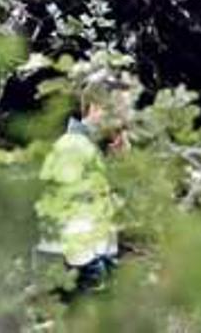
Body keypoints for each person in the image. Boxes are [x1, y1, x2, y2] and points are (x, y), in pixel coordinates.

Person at [35, 89, 131, 295]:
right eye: (120, 110)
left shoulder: (92, 151)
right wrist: (97, 276)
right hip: (74, 277)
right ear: (96, 108)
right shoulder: (74, 148)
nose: (124, 120)